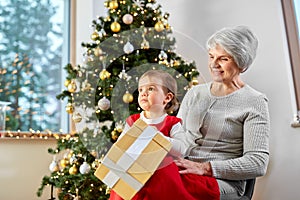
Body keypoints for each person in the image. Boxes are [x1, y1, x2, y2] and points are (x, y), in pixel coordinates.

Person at [174, 25, 270, 200]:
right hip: (185, 169)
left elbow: (258, 163)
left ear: (242, 63)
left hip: (222, 181)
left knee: (161, 185)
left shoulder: (254, 101)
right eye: (211, 56)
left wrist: (205, 168)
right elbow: (177, 138)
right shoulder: (195, 93)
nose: (213, 64)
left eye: (223, 58)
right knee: (135, 178)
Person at [109, 69, 219, 200]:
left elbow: (181, 149)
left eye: (150, 89)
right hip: (137, 169)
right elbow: (121, 147)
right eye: (140, 90)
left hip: (163, 171)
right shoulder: (133, 121)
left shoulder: (172, 123)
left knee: (160, 173)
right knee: (123, 181)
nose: (144, 93)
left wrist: (158, 137)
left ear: (167, 98)